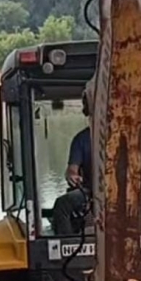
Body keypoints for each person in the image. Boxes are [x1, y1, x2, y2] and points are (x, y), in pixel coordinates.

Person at [52, 88, 93, 236]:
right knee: (62, 204)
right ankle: (68, 246)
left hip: (120, 191)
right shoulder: (81, 139)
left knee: (138, 204)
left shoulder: (122, 135)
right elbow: (72, 169)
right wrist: (72, 176)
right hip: (89, 192)